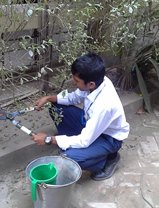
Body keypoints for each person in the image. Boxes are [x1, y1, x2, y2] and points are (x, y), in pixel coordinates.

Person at [31, 52, 130, 181]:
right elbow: (74, 97)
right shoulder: (98, 81)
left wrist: (49, 139)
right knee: (55, 107)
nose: (73, 82)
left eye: (76, 80)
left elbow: (84, 140)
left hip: (108, 139)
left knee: (67, 159)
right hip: (92, 127)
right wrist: (48, 98)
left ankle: (107, 160)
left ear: (91, 84)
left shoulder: (104, 105)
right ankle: (84, 149)